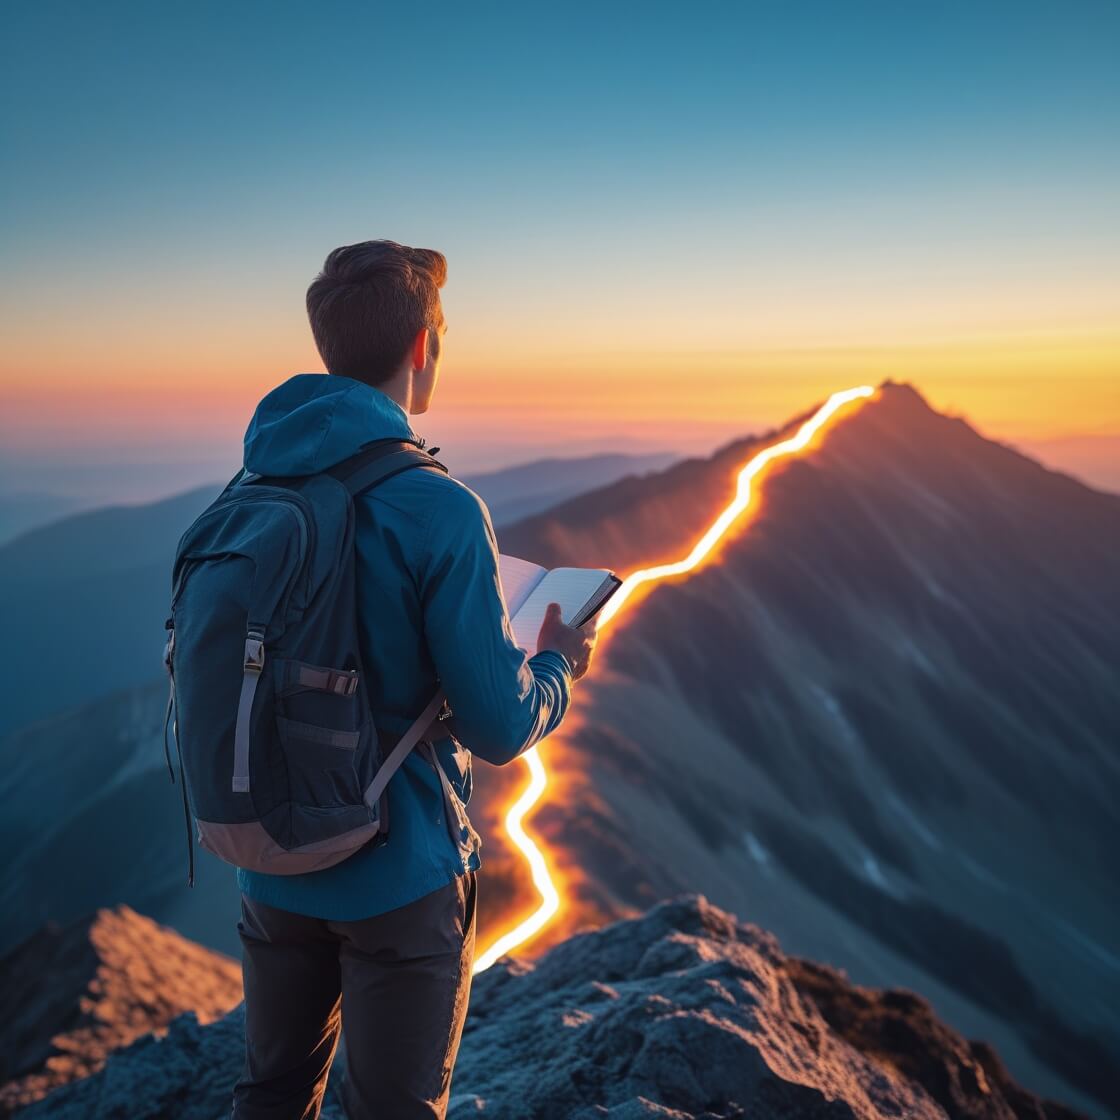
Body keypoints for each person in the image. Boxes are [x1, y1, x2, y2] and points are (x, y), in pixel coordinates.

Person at [228, 240, 597, 1120]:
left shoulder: (251, 490)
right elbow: (501, 729)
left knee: (271, 1095)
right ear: (423, 347)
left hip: (269, 860)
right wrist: (556, 665)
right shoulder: (438, 507)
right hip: (398, 877)